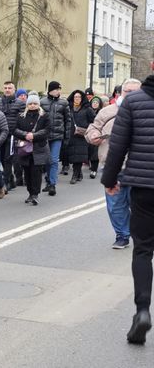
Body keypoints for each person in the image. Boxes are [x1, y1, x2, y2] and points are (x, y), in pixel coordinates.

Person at [101, 74, 154, 345]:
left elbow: (118, 146)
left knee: (143, 250)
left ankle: (142, 311)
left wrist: (110, 180)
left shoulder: (133, 102)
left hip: (145, 189)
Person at [86, 78, 142, 249]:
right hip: (112, 166)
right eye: (128, 92)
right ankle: (122, 235)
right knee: (116, 205)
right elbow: (93, 128)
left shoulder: (147, 110)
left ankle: (141, 234)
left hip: (139, 168)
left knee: (139, 205)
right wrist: (93, 135)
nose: (131, 95)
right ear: (120, 93)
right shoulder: (107, 112)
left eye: (135, 92)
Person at [13, 94, 50, 205]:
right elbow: (15, 130)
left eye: (34, 103)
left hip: (38, 148)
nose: (32, 105)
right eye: (30, 104)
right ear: (27, 105)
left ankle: (35, 194)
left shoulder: (44, 116)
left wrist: (34, 135)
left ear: (38, 104)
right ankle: (30, 193)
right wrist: (25, 135)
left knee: (36, 172)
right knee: (27, 172)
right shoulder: (21, 116)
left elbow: (47, 130)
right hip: (25, 149)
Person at [40, 81, 71, 196]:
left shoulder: (64, 103)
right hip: (45, 136)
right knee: (47, 160)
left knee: (54, 160)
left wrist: (67, 136)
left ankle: (53, 184)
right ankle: (48, 181)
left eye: (59, 89)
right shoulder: (42, 102)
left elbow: (68, 121)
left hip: (58, 136)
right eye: (57, 89)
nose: (59, 91)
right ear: (51, 90)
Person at [66, 90, 94, 184]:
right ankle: (79, 174)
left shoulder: (87, 109)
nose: (77, 98)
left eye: (79, 97)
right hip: (71, 135)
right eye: (75, 97)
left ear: (82, 98)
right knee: (73, 156)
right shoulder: (69, 108)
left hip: (82, 135)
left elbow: (93, 121)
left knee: (78, 156)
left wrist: (88, 129)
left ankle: (74, 175)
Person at [2, 82, 26, 190]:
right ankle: (11, 178)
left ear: (14, 90)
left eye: (10, 88)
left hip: (12, 135)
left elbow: (23, 118)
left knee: (8, 158)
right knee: (2, 159)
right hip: (0, 134)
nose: (7, 90)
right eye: (5, 88)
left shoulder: (20, 103)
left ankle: (5, 182)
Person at [88, 96, 103, 178]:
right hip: (88, 132)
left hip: (98, 133)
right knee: (89, 151)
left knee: (95, 152)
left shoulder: (102, 112)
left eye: (96, 102)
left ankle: (94, 169)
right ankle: (91, 164)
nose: (95, 104)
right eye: (93, 102)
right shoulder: (88, 111)